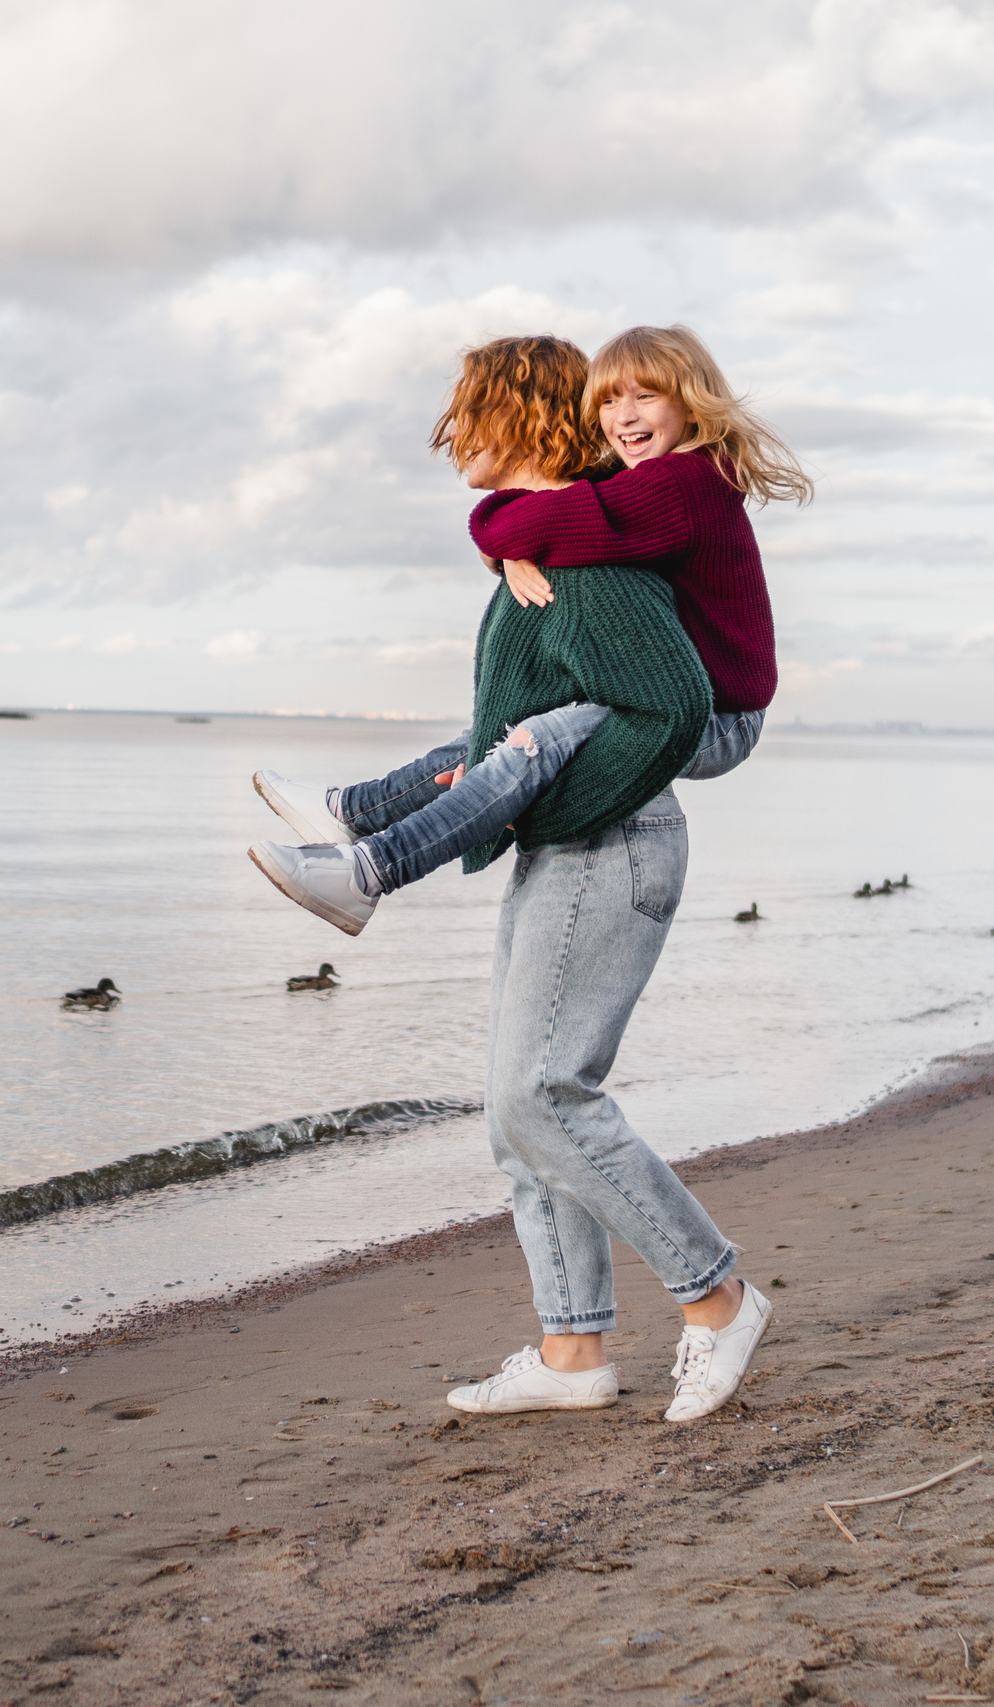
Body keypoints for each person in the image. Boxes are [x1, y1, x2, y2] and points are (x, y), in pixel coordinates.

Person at [254, 326, 810, 1421]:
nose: (450, 430)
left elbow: (669, 710)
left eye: (466, 409)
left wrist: (553, 791)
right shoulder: (567, 545)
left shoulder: (612, 550)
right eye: (615, 402)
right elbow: (519, 724)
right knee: (518, 1116)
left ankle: (716, 1298)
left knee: (541, 1096)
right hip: (577, 843)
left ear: (511, 417)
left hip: (613, 838)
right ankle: (571, 1354)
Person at [247, 325, 804, 937]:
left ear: (692, 401)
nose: (624, 416)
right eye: (609, 402)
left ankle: (372, 870)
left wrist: (509, 538)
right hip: (681, 697)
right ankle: (354, 814)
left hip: (718, 715)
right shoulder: (644, 483)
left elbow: (560, 517)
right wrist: (516, 546)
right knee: (495, 736)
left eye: (646, 396)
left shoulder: (685, 483)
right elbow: (565, 514)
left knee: (536, 737)